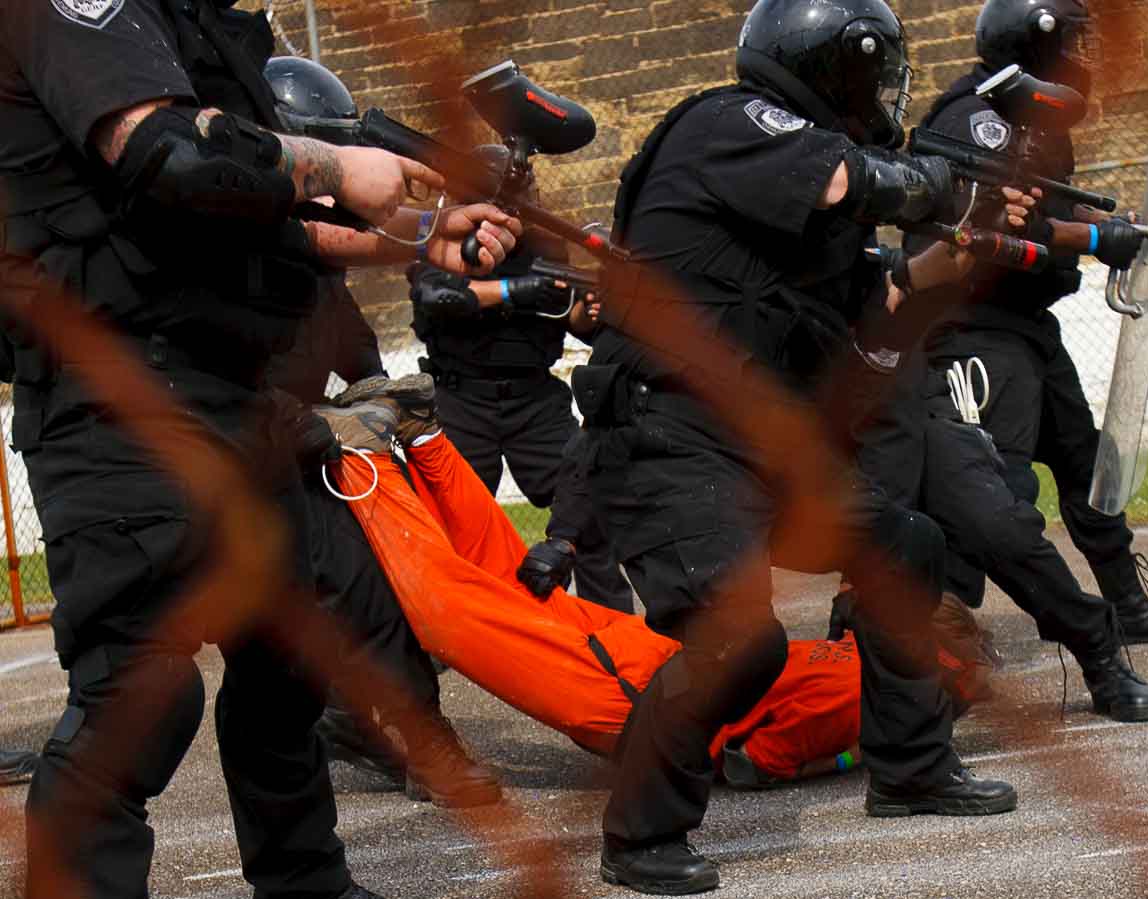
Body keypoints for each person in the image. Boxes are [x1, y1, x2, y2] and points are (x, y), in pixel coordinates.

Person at [0, 0, 518, 899]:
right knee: (138, 695)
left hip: (235, 391)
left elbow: (238, 212)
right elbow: (170, 155)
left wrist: (403, 233)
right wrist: (338, 159)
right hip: (120, 396)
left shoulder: (187, 23)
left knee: (291, 647)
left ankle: (301, 892)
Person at [577, 0, 1021, 898]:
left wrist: (960, 254)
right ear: (835, 66)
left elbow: (881, 314)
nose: (890, 91)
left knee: (906, 547)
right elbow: (846, 181)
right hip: (670, 439)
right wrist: (939, 183)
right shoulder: (731, 123)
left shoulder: (814, 213)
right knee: (741, 644)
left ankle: (910, 771)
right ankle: (640, 835)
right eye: (880, 70)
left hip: (763, 446)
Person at [312, 378, 998, 788]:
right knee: (454, 611)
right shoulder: (857, 690)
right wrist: (849, 760)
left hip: (638, 661)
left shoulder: (849, 666)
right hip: (624, 693)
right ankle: (363, 455)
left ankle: (421, 434)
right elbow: (749, 763)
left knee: (502, 579)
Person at [915, 0, 1148, 645]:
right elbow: (997, 228)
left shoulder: (1036, 116)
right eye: (1073, 42)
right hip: (971, 326)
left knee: (1087, 464)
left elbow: (1042, 210)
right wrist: (1098, 237)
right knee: (992, 481)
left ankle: (1127, 605)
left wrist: (1104, 229)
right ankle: (930, 634)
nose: (1085, 56)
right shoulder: (979, 119)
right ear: (1034, 40)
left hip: (1024, 323)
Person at [262, 55, 499, 809]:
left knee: (368, 585)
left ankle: (393, 731)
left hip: (288, 446)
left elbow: (350, 349)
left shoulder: (314, 256)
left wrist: (381, 398)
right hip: (204, 441)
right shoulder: (221, 237)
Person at [409, 156, 634, 614]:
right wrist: (516, 290)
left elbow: (570, 320)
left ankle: (614, 628)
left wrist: (587, 310)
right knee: (450, 527)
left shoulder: (545, 245)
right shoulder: (446, 236)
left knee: (587, 518)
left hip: (535, 401)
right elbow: (438, 298)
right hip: (461, 400)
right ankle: (452, 630)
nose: (516, 209)